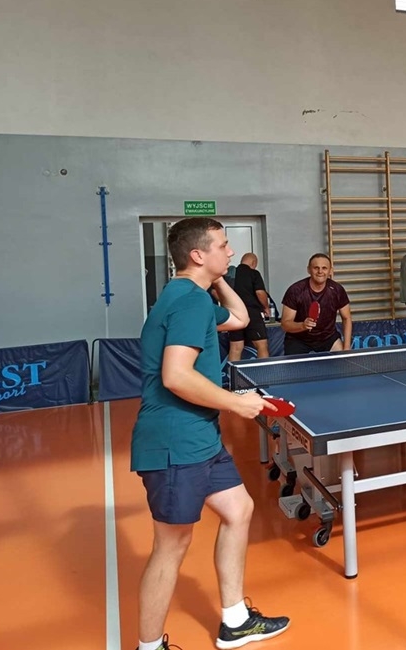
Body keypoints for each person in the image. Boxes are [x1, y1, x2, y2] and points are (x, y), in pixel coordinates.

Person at [130, 217, 290, 650]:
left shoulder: (191, 295)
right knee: (172, 544)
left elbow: (239, 317)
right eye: (222, 245)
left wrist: (216, 277)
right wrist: (237, 403)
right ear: (198, 254)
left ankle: (235, 621)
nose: (231, 252)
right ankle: (149, 646)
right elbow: (176, 376)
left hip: (201, 436)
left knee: (239, 510)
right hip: (175, 440)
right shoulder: (189, 302)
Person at [280, 253, 353, 355]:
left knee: (343, 361)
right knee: (294, 365)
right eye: (316, 268)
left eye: (324, 268)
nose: (320, 271)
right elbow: (285, 324)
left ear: (330, 271)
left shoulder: (337, 290)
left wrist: (347, 347)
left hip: (328, 338)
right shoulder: (295, 291)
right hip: (298, 339)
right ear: (309, 270)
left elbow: (346, 318)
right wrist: (302, 325)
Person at [227, 253, 271, 361]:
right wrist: (266, 307)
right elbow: (260, 293)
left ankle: (232, 372)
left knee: (235, 347)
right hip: (252, 312)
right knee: (261, 345)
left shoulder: (230, 274)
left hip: (234, 313)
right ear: (253, 263)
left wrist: (228, 304)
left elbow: (215, 292)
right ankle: (263, 371)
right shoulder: (254, 273)